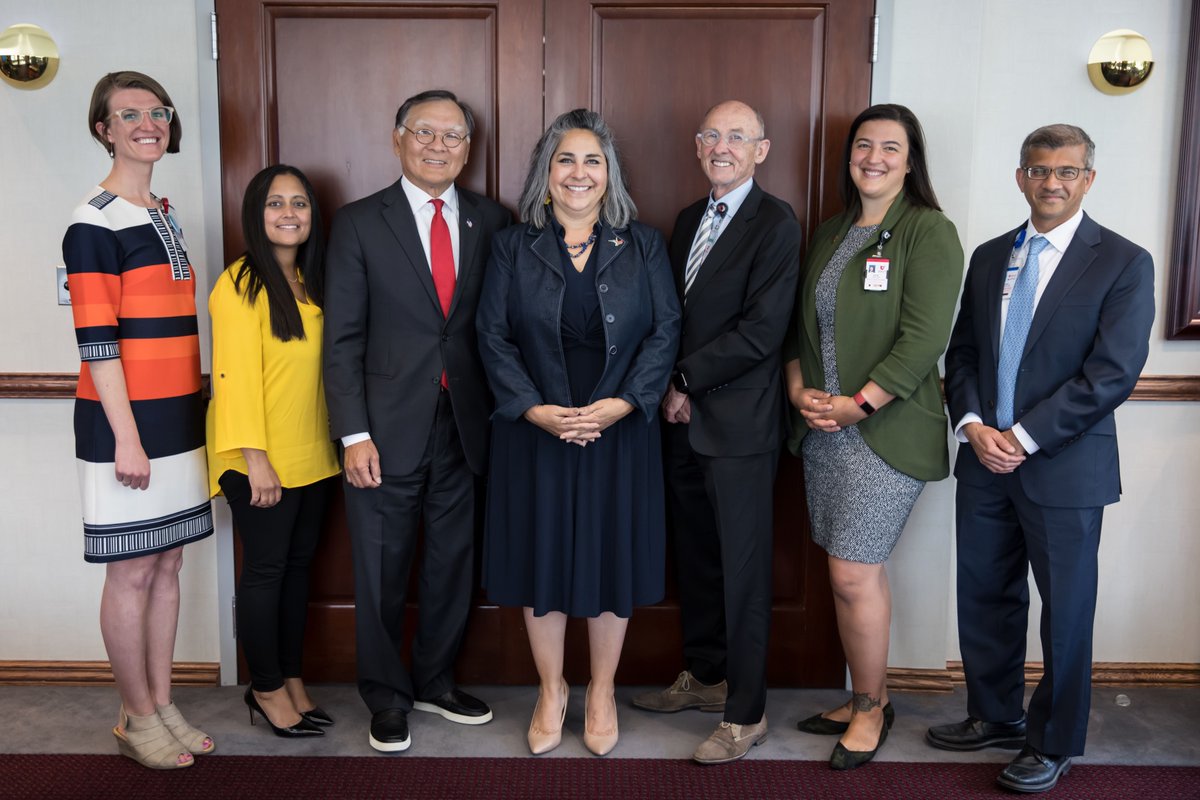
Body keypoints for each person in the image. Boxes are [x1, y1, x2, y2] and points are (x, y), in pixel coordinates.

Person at [928, 124, 1154, 793]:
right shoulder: (990, 256)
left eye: (1066, 171)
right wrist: (973, 425)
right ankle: (995, 714)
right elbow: (964, 352)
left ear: (1088, 179)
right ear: (1021, 176)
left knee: (1067, 611)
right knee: (985, 595)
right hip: (983, 461)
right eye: (1038, 170)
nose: (1051, 182)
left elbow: (1111, 374)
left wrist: (1023, 437)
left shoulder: (1123, 261)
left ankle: (1053, 741)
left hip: (1064, 467)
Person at [477, 109, 681, 757]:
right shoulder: (512, 246)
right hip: (535, 430)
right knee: (541, 557)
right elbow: (491, 335)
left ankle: (601, 691)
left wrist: (624, 403)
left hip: (619, 431)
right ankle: (551, 689)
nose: (579, 172)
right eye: (566, 159)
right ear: (546, 172)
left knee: (610, 557)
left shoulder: (643, 244)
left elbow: (665, 331)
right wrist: (532, 408)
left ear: (609, 174)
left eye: (593, 160)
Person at [323, 89, 512, 753]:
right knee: (380, 568)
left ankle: (435, 680)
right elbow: (342, 340)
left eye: (453, 135)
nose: (439, 146)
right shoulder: (358, 223)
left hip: (467, 425)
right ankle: (385, 695)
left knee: (452, 563)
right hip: (382, 429)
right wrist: (353, 434)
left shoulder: (493, 220)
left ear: (468, 147)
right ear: (398, 138)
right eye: (425, 132)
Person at [783, 104, 963, 770]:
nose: (874, 158)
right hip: (825, 429)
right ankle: (870, 694)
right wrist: (798, 389)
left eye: (891, 147)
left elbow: (924, 339)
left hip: (882, 429)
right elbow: (799, 330)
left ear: (910, 162)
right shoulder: (832, 232)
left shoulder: (928, 231)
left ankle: (868, 710)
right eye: (864, 145)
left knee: (853, 573)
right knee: (848, 573)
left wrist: (859, 404)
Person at [632, 100, 801, 765]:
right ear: (698, 147)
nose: (722, 146)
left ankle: (746, 713)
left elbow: (761, 333)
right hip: (680, 423)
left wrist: (683, 380)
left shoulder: (776, 223)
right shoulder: (686, 221)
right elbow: (672, 317)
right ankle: (706, 677)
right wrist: (668, 389)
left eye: (737, 136)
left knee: (743, 572)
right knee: (697, 560)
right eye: (711, 136)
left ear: (761, 150)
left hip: (739, 427)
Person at [63, 71, 214, 769]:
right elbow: (96, 342)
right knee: (129, 571)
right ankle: (135, 715)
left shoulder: (162, 210)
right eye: (128, 115)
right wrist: (127, 436)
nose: (147, 124)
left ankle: (160, 703)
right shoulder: (93, 220)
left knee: (168, 560)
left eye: (157, 112)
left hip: (178, 416)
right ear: (104, 129)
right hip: (123, 424)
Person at [206, 164, 341, 738]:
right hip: (257, 459)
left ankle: (290, 678)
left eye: (300, 203)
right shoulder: (240, 283)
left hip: (311, 455)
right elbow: (232, 378)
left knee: (296, 571)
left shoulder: (310, 281)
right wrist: (255, 459)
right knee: (265, 572)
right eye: (275, 203)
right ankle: (263, 688)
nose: (290, 213)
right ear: (255, 214)